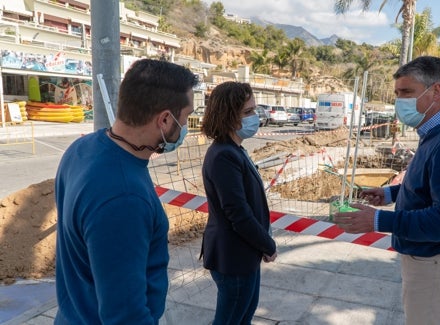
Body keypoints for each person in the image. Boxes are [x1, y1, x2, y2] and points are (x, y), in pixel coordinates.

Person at [334, 56, 440, 325]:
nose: (399, 102)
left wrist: (376, 220)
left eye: (407, 92)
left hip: (437, 264)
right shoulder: (438, 131)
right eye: (396, 94)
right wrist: (390, 194)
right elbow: (430, 185)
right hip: (433, 260)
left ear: (436, 91)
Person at [54, 59, 198, 324]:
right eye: (186, 116)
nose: (186, 126)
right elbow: (124, 316)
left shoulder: (82, 148)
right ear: (165, 119)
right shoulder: (124, 198)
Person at [200, 81, 277, 325]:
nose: (255, 117)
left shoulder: (235, 149)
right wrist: (267, 244)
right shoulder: (224, 155)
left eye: (254, 110)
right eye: (248, 112)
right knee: (231, 319)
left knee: (243, 315)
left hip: (245, 254)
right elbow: (238, 213)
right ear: (228, 115)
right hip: (233, 257)